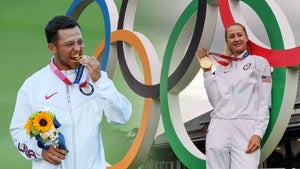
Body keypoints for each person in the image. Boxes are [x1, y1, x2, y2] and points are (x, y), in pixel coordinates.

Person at [9, 15, 132, 169]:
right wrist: (40, 150)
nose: (77, 48)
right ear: (53, 48)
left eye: (80, 42)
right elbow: (18, 130)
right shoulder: (33, 85)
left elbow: (122, 117)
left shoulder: (97, 78)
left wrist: (100, 81)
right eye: (69, 44)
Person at [195, 23, 272, 169]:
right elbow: (215, 102)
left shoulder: (259, 63)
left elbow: (264, 101)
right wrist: (206, 71)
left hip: (246, 127)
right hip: (219, 125)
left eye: (239, 35)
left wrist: (258, 133)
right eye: (231, 36)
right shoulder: (222, 69)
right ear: (227, 41)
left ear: (246, 37)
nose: (236, 39)